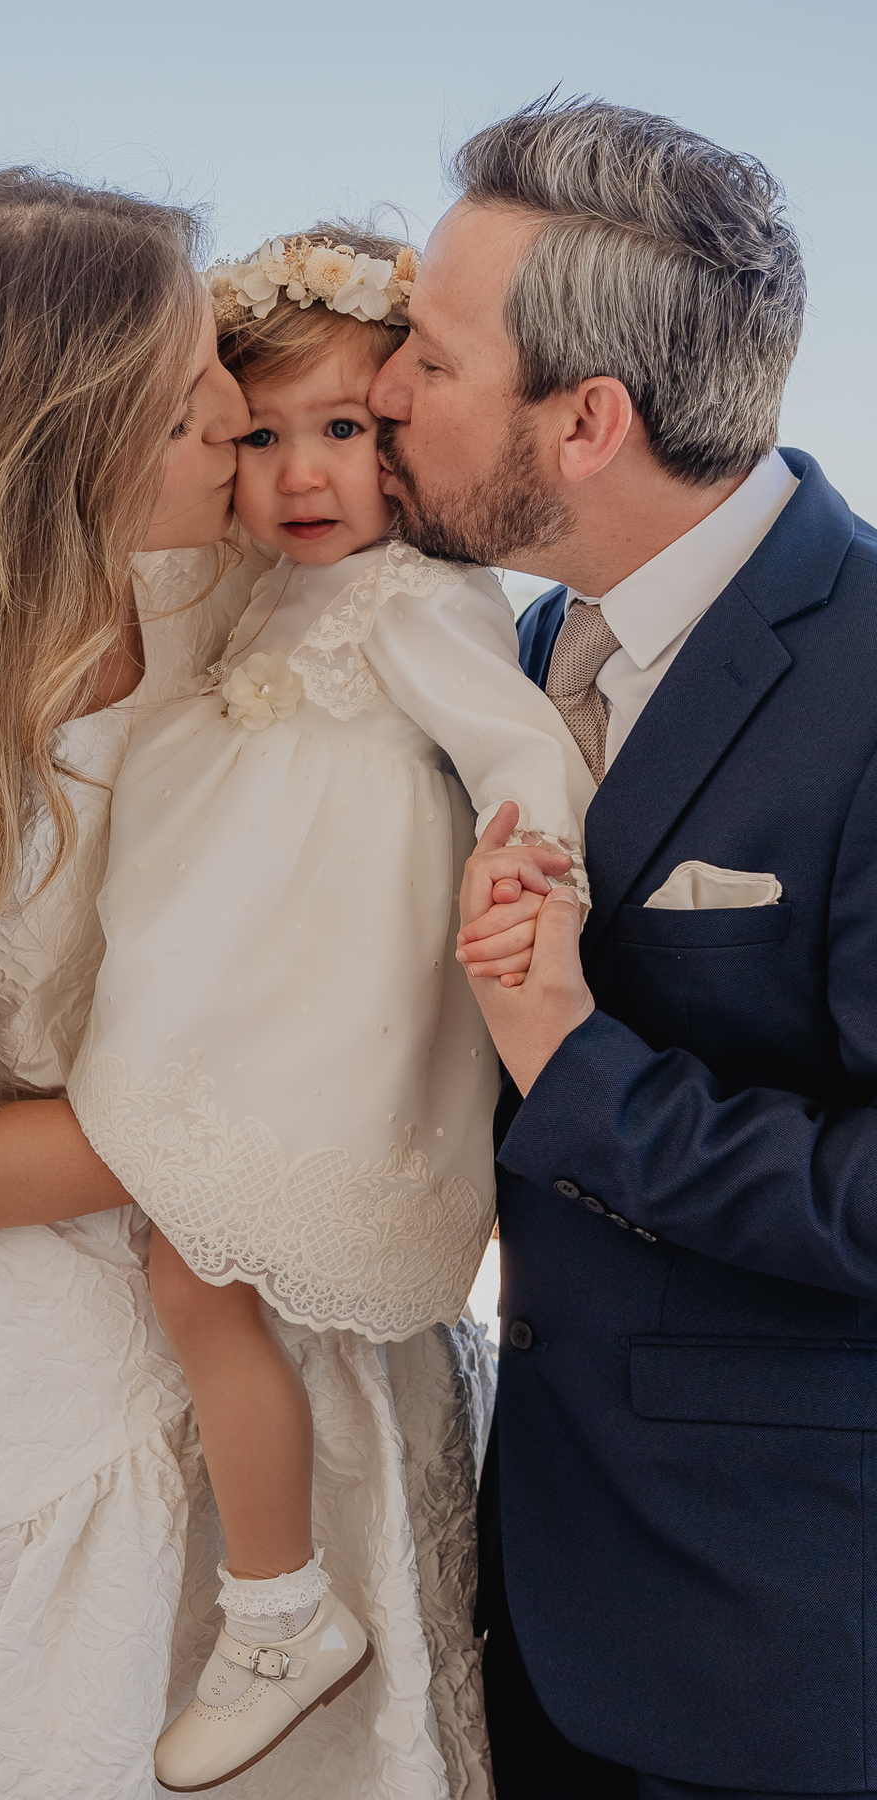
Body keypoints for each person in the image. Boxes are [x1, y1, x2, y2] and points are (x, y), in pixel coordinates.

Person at [0, 170, 490, 1800]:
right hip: (38, 1394)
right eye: (187, 399)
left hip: (302, 1335)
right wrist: (279, 1104)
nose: (233, 419)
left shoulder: (233, 577)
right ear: (44, 445)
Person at [374, 95, 877, 1800]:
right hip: (542, 1591)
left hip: (778, 1642)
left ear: (588, 419)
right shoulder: (522, 649)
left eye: (432, 359)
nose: (386, 392)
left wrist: (579, 1068)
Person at [70, 225, 593, 1791]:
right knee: (183, 1269)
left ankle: (281, 1609)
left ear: (407, 436)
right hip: (256, 997)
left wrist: (527, 875)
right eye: (263, 435)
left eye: (347, 429)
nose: (302, 474)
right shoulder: (273, 596)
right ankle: (275, 1595)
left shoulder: (414, 600)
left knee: (189, 1272)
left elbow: (521, 749)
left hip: (331, 1021)